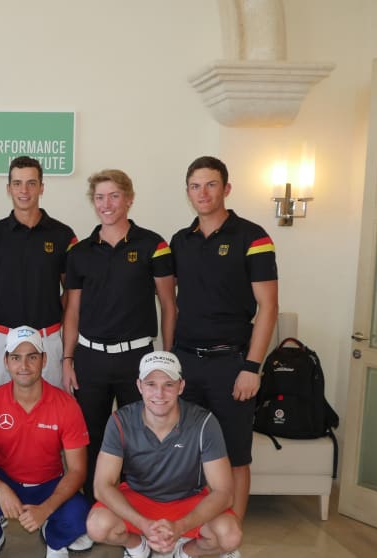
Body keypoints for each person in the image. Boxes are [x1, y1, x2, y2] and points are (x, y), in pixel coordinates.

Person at [169, 156, 278, 536]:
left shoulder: (253, 236)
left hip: (232, 365)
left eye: (211, 184)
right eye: (195, 186)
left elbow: (268, 307)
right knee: (189, 452)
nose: (203, 193)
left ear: (226, 189)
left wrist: (252, 367)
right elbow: (171, 304)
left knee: (233, 455)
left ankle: (231, 537)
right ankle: (194, 532)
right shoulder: (179, 242)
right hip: (186, 364)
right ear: (187, 192)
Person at [61, 169, 177, 501]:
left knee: (141, 435)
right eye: (100, 197)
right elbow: (72, 311)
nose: (106, 204)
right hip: (90, 358)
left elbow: (169, 305)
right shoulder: (79, 252)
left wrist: (168, 358)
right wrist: (68, 358)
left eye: (114, 196)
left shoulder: (154, 245)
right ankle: (91, 506)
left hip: (138, 359)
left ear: (128, 198)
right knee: (90, 437)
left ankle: (140, 507)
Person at [87, 351, 242, 558]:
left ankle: (185, 551)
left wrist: (180, 526)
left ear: (181, 386)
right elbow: (101, 486)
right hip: (139, 498)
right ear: (139, 386)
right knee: (97, 526)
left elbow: (223, 492)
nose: (159, 394)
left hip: (188, 499)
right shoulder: (120, 421)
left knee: (230, 536)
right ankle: (136, 546)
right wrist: (143, 524)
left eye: (168, 384)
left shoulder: (204, 422)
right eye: (151, 384)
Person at [0, 326, 90, 558]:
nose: (23, 366)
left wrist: (47, 508)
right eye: (16, 358)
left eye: (32, 357)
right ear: (6, 362)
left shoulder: (66, 405)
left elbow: (77, 470)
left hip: (50, 483)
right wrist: (1, 489)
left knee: (80, 515)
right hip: (7, 479)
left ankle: (54, 538)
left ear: (44, 360)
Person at [0, 156, 77, 389]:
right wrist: (5, 325)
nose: (24, 190)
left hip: (47, 340)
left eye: (31, 183)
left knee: (51, 413)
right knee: (1, 414)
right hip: (4, 340)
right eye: (17, 183)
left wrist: (53, 317)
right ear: (8, 188)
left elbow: (71, 290)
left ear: (41, 187)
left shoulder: (62, 234)